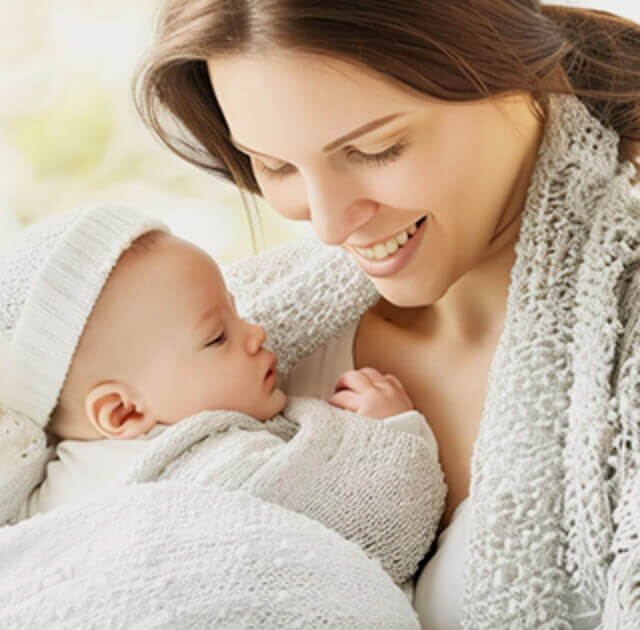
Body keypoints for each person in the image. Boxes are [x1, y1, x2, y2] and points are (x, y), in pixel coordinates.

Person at [133, 1, 640, 628]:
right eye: (276, 167)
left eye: (377, 148)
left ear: (509, 69)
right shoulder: (249, 341)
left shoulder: (620, 360)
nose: (326, 223)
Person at [0, 203, 445, 591]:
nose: (255, 333)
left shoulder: (46, 502)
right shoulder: (219, 467)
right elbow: (383, 526)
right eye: (217, 337)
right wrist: (393, 430)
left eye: (237, 310)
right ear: (123, 411)